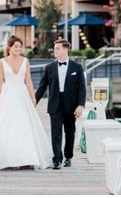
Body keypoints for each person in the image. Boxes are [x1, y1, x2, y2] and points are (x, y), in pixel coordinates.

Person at [0, 35, 53, 170]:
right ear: (10, 47)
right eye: (16, 46)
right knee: (7, 126)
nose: (18, 49)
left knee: (24, 125)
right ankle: (8, 159)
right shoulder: (2, 62)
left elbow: (29, 81)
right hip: (7, 96)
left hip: (22, 95)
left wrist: (33, 97)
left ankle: (24, 158)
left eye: (20, 46)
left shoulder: (25, 61)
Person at [35, 39, 86, 170]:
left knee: (70, 132)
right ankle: (57, 159)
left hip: (71, 104)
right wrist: (33, 102)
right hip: (55, 103)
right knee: (56, 133)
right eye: (55, 48)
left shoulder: (77, 68)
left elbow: (82, 88)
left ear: (65, 49)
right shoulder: (49, 67)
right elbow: (42, 87)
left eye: (57, 48)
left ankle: (68, 157)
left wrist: (80, 105)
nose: (55, 51)